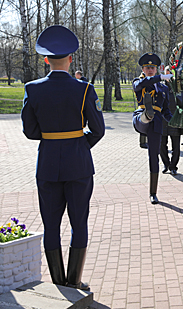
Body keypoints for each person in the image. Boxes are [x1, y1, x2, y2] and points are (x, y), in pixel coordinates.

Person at [21, 25, 105, 290]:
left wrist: (53, 138)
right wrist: (78, 144)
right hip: (79, 164)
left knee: (51, 225)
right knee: (78, 222)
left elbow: (30, 131)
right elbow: (99, 129)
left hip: (47, 164)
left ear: (46, 59)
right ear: (71, 58)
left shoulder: (32, 89)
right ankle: (74, 280)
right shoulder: (84, 89)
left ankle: (58, 282)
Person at [132, 53, 173, 204]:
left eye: (153, 68)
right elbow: (139, 86)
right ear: (143, 69)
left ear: (156, 69)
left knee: (154, 156)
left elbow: (166, 110)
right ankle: (146, 115)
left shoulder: (163, 88)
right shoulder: (139, 81)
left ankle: (153, 192)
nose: (150, 70)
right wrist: (160, 77)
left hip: (156, 122)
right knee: (144, 118)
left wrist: (175, 120)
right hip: (140, 117)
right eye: (147, 67)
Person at [160, 66, 182, 176]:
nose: (169, 75)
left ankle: (173, 166)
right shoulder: (160, 86)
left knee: (176, 145)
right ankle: (166, 164)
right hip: (162, 119)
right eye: (167, 73)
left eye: (171, 73)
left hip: (175, 119)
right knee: (162, 145)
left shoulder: (179, 87)